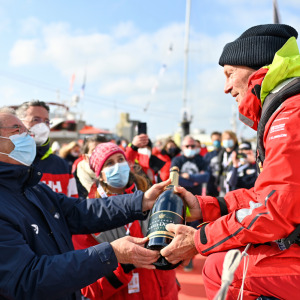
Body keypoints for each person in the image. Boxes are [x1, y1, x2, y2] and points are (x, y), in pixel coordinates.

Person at [159, 24, 300, 300]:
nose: (225, 88)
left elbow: (274, 210)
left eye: (229, 74)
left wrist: (199, 239)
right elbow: (267, 196)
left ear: (255, 66)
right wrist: (208, 207)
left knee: (222, 269)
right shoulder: (286, 108)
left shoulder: (290, 113)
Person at [0, 109, 172, 300]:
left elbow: (79, 211)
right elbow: (28, 278)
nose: (28, 137)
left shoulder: (33, 187)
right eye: (18, 131)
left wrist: (140, 201)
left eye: (27, 132)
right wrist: (111, 253)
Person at [72, 142, 179, 300]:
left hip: (165, 292)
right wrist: (125, 264)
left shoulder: (150, 197)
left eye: (121, 159)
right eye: (109, 163)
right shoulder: (89, 216)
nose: (118, 166)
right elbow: (88, 288)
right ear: (100, 174)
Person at [15, 100, 78, 197]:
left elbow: (72, 206)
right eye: (35, 119)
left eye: (47, 121)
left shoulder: (61, 166)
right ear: (18, 123)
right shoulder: (6, 161)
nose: (42, 125)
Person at [72, 134, 108, 199]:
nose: (101, 154)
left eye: (104, 150)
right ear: (85, 157)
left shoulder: (115, 176)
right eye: (94, 151)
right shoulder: (73, 181)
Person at [217, 130, 239, 196]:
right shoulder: (221, 153)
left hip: (235, 187)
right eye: (225, 139)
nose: (227, 141)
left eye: (229, 139)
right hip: (223, 187)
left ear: (234, 140)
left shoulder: (238, 152)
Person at [204, 131, 222, 197]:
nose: (216, 142)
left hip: (222, 185)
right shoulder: (208, 155)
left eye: (218, 140)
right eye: (214, 140)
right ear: (211, 140)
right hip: (210, 185)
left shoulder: (225, 153)